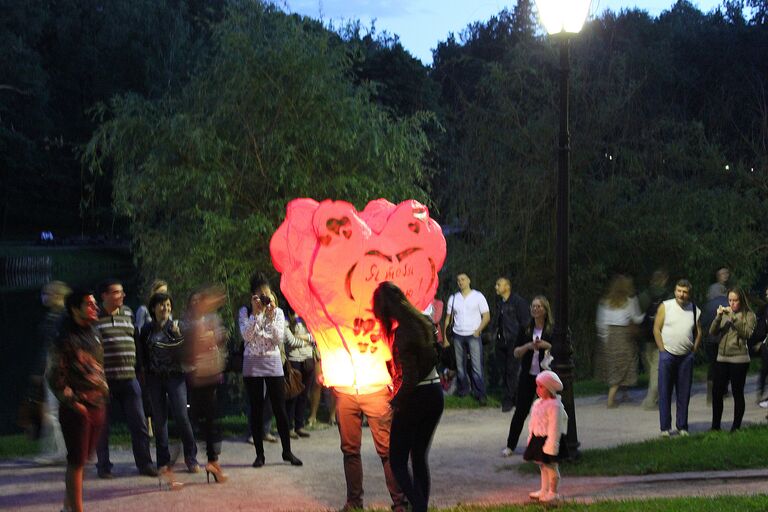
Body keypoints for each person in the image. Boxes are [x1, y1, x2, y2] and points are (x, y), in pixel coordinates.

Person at [373, 282, 443, 512]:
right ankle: (420, 505)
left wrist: (395, 401)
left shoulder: (402, 331)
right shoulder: (423, 321)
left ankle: (419, 507)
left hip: (417, 396)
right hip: (434, 394)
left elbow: (411, 377)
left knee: (397, 459)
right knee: (419, 455)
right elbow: (437, 355)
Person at [46, 289, 109, 512]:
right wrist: (74, 403)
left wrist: (102, 392)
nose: (95, 308)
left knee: (84, 460)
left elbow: (98, 367)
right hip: (78, 409)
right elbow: (54, 376)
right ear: (75, 309)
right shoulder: (64, 338)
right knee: (77, 462)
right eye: (89, 305)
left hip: (97, 404)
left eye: (94, 304)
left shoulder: (94, 332)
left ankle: (67, 507)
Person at [94, 278, 157, 478]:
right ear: (104, 295)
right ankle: (103, 467)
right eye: (116, 292)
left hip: (129, 378)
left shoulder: (128, 313)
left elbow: (136, 341)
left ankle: (145, 464)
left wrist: (141, 368)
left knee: (139, 423)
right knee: (102, 427)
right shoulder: (94, 317)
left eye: (121, 292)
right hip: (105, 381)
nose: (121, 295)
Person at [239, 273, 302, 468]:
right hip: (252, 365)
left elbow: (277, 339)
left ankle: (287, 451)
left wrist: (272, 315)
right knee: (256, 410)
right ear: (253, 296)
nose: (265, 299)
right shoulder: (245, 312)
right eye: (260, 296)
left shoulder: (279, 313)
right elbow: (247, 337)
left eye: (267, 295)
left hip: (273, 363)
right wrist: (257, 315)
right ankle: (259, 454)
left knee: (280, 409)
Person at [137, 292, 199, 485]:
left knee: (181, 416)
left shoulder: (178, 326)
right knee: (159, 420)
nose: (165, 308)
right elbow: (142, 353)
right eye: (161, 305)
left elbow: (188, 349)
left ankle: (191, 456)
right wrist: (144, 372)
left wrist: (180, 336)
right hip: (155, 378)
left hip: (175, 377)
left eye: (168, 305)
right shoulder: (146, 329)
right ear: (153, 308)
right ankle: (163, 461)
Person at [184, 285, 228, 483]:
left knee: (209, 421)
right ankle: (168, 464)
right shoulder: (191, 323)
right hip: (199, 376)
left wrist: (216, 336)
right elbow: (191, 349)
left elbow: (219, 340)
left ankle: (213, 462)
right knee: (197, 420)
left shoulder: (212, 320)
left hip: (211, 375)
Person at [502, 296, 553, 456]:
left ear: (545, 310)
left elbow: (560, 348)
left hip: (545, 376)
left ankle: (546, 445)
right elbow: (516, 353)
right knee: (521, 411)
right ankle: (510, 445)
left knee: (546, 412)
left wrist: (547, 345)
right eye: (533, 306)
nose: (535, 309)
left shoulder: (552, 329)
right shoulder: (525, 329)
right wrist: (528, 346)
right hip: (528, 375)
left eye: (538, 307)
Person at [654, 279, 702, 437]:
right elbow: (656, 328)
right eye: (679, 291)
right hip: (667, 354)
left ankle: (682, 426)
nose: (681, 294)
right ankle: (665, 428)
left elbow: (699, 331)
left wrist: (693, 350)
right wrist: (662, 350)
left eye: (685, 292)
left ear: (689, 293)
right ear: (675, 291)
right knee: (665, 392)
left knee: (684, 393)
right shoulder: (666, 306)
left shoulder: (694, 309)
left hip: (685, 358)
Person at [708, 287, 756, 431]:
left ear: (741, 300)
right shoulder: (725, 313)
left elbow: (747, 334)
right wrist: (718, 317)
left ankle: (736, 427)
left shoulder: (749, 314)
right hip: (722, 357)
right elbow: (712, 332)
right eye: (730, 300)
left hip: (739, 359)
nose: (732, 303)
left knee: (737, 392)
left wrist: (734, 319)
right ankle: (715, 427)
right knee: (717, 393)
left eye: (735, 300)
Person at [33, 281, 71, 464]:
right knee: (54, 411)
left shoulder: (61, 318)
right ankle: (61, 450)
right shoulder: (56, 316)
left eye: (47, 293)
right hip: (54, 368)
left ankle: (61, 452)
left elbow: (53, 346)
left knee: (54, 411)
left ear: (57, 295)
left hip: (58, 369)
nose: (44, 297)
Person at [595, 275, 644, 408]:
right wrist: (647, 314)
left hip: (610, 336)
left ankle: (624, 393)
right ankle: (611, 399)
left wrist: (604, 339)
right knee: (625, 363)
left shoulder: (605, 301)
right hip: (623, 335)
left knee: (615, 365)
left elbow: (601, 322)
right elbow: (636, 318)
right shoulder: (630, 301)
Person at [444, 273, 490, 404]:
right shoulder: (453, 298)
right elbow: (448, 319)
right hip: (458, 335)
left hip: (473, 335)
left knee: (476, 365)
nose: (460, 282)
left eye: (463, 279)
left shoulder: (478, 296)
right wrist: (447, 339)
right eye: (458, 280)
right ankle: (463, 391)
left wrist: (478, 331)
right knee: (460, 366)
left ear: (469, 280)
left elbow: (486, 316)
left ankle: (480, 393)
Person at [523, 370, 568, 503]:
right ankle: (544, 489)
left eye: (541, 386)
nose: (538, 389)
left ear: (549, 388)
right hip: (538, 439)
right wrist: (531, 436)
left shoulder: (555, 406)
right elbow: (533, 422)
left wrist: (552, 445)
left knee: (551, 466)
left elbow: (555, 427)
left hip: (549, 440)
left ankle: (553, 492)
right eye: (537, 386)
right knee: (542, 465)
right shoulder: (537, 404)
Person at [492, 277, 530, 413]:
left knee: (512, 370)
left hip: (514, 341)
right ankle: (513, 396)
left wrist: (522, 341)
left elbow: (525, 322)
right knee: (504, 370)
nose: (496, 287)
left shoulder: (518, 302)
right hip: (502, 341)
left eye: (498, 284)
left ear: (507, 286)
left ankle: (510, 399)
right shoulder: (499, 303)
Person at [638, 270, 670, 409]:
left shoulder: (644, 295)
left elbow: (638, 314)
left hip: (647, 336)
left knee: (651, 367)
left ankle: (652, 397)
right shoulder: (668, 295)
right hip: (662, 334)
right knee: (656, 369)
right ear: (664, 279)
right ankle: (651, 399)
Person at [284, 313, 315, 439]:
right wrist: (306, 341)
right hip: (294, 358)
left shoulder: (308, 315)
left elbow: (315, 336)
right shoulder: (286, 317)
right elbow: (289, 340)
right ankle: (289, 427)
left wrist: (302, 337)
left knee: (304, 394)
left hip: (308, 358)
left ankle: (299, 425)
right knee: (293, 393)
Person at [700, 283, 729, 405]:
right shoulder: (727, 304)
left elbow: (702, 323)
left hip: (710, 340)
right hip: (724, 340)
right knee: (724, 366)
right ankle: (722, 392)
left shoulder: (707, 306)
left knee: (713, 366)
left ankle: (710, 396)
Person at [753, 286, 768, 407]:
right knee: (764, 369)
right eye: (766, 294)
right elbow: (760, 326)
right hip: (765, 345)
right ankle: (761, 393)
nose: (767, 297)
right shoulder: (764, 308)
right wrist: (760, 341)